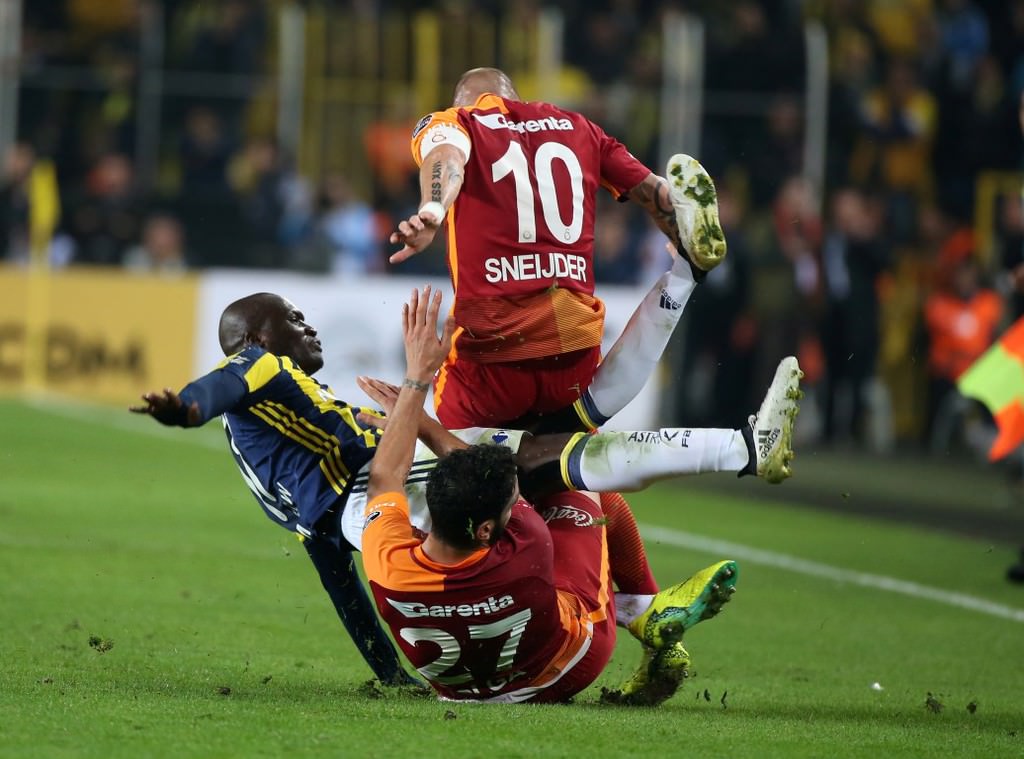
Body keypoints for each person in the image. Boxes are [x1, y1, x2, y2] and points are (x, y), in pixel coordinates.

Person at [129, 288, 802, 697]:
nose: (306, 325)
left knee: (551, 463)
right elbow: (222, 384)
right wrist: (186, 408)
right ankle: (743, 449)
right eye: (291, 318)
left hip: (377, 522)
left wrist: (387, 670)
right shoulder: (256, 364)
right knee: (545, 460)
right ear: (255, 339)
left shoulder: (271, 451)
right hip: (388, 493)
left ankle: (644, 610)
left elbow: (331, 566)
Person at [387, 66, 729, 700]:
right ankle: (652, 616)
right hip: (571, 353)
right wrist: (688, 240)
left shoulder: (459, 123)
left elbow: (446, 160)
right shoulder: (579, 128)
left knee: (439, 493)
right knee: (579, 484)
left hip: (491, 359)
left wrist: (433, 210)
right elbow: (655, 195)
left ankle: (463, 622)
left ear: (470, 102)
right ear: (517, 99)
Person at [360, 285, 739, 703]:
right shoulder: (526, 548)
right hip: (563, 668)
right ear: (486, 532)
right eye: (508, 508)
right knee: (584, 489)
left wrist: (415, 387)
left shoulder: (388, 561)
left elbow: (385, 477)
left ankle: (644, 609)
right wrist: (424, 413)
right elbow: (515, 480)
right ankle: (646, 609)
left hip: (459, 690)